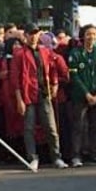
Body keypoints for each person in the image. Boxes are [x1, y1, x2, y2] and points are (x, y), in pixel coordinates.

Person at [11, 22, 66, 170]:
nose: (33, 36)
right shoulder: (19, 54)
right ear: (26, 35)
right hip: (28, 95)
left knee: (51, 128)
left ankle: (56, 157)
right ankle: (32, 157)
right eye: (31, 33)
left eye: (36, 33)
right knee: (29, 129)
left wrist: (55, 83)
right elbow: (15, 80)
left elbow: (54, 68)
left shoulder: (45, 52)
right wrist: (19, 100)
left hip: (44, 93)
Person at [68, 24, 96, 166]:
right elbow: (74, 77)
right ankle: (76, 156)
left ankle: (95, 154)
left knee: (95, 126)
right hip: (80, 97)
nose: (91, 37)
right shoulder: (75, 53)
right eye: (88, 34)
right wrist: (86, 94)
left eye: (94, 34)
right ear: (83, 36)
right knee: (78, 126)